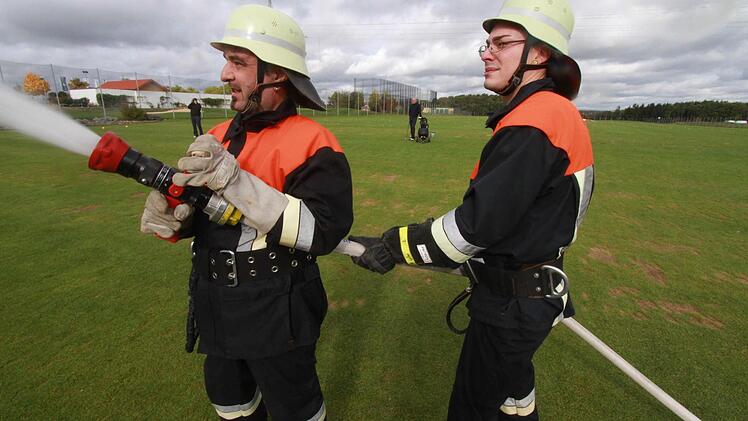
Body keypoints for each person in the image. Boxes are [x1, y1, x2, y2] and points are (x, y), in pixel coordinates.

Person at [349, 0, 593, 419]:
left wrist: (394, 243)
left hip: (512, 306)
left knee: (474, 410)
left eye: (501, 43)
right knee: (514, 402)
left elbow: (472, 229)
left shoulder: (533, 123)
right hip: (531, 292)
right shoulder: (557, 113)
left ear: (538, 54)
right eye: (486, 43)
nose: (486, 53)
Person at [139, 5, 352, 420]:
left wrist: (235, 181)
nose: (224, 75)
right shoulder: (216, 136)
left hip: (277, 308)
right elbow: (207, 215)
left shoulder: (314, 142)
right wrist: (175, 215)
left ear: (276, 73)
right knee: (231, 406)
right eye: (226, 61)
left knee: (295, 411)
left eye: (238, 62)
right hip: (214, 301)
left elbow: (322, 233)